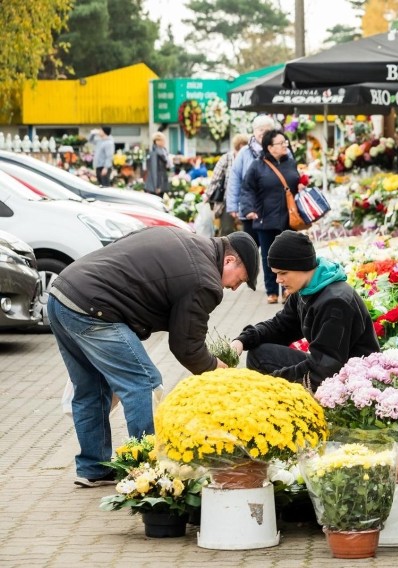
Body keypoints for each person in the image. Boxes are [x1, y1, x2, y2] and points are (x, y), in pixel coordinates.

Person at [47, 228, 259, 487]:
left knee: (91, 387)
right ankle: (148, 472)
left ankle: (94, 468)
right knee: (143, 383)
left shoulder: (183, 238)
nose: (235, 288)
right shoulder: (205, 280)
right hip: (93, 308)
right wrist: (215, 367)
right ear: (228, 261)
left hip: (62, 296)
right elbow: (186, 346)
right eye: (240, 279)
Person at [230, 231, 379, 388]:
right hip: (327, 365)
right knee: (259, 354)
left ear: (301, 266)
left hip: (351, 379)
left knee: (264, 373)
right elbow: (281, 326)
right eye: (275, 273)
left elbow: (325, 367)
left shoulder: (335, 302)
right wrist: (242, 340)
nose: (278, 280)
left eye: (283, 273)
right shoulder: (306, 289)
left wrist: (272, 382)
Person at [240, 129, 305, 304]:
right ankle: (271, 291)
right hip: (265, 218)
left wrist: (301, 186)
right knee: (269, 256)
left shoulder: (291, 163)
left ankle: (287, 290)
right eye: (281, 143)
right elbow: (247, 190)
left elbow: (297, 182)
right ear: (270, 147)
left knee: (287, 256)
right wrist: (248, 209)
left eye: (286, 142)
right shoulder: (257, 165)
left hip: (288, 218)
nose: (285, 146)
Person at [226, 115, 277, 245]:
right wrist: (232, 206)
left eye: (267, 129)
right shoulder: (244, 152)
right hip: (249, 208)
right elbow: (235, 178)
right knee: (250, 246)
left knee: (271, 250)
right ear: (254, 131)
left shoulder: (280, 150)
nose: (263, 132)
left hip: (273, 209)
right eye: (260, 129)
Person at [208, 134, 249, 236]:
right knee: (227, 230)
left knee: (245, 230)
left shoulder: (250, 159)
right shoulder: (226, 158)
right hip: (228, 199)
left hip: (246, 199)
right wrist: (208, 195)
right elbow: (215, 178)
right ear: (236, 148)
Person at [143, 132, 170, 196]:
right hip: (156, 188)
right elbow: (154, 171)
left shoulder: (163, 152)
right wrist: (157, 186)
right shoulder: (154, 153)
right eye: (162, 140)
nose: (164, 142)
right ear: (157, 141)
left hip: (162, 185)